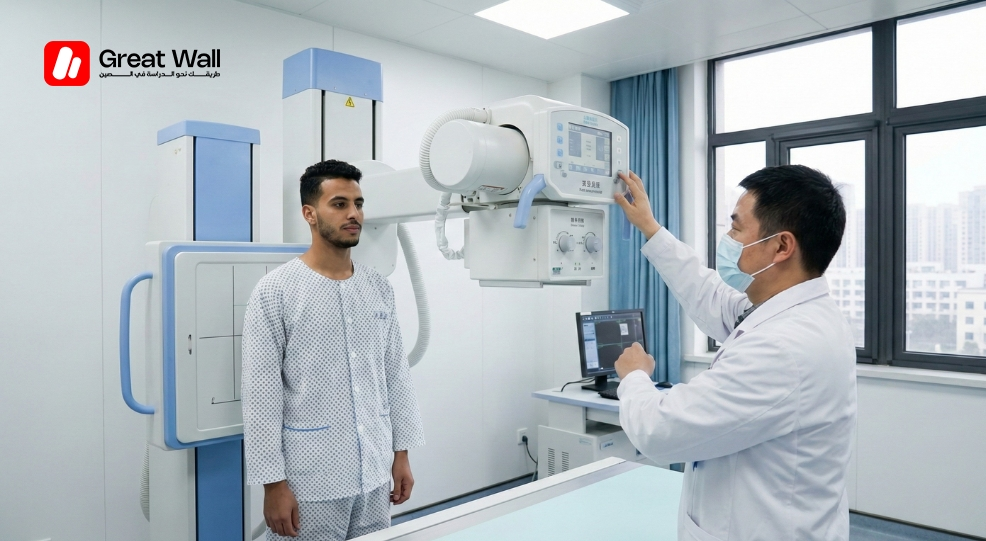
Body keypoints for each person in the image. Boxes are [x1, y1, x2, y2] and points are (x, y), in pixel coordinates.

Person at [612, 166, 857, 541]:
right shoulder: (797, 314)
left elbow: (658, 431)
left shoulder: (783, 347)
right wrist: (650, 228)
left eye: (736, 228)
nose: (727, 239)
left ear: (781, 246)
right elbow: (708, 293)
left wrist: (634, 376)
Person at [241, 159, 425, 540]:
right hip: (311, 481)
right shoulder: (276, 292)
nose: (353, 214)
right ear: (309, 214)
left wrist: (402, 453)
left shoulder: (378, 289)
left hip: (374, 475)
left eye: (358, 204)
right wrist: (273, 484)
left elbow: (396, 377)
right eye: (339, 204)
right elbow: (261, 397)